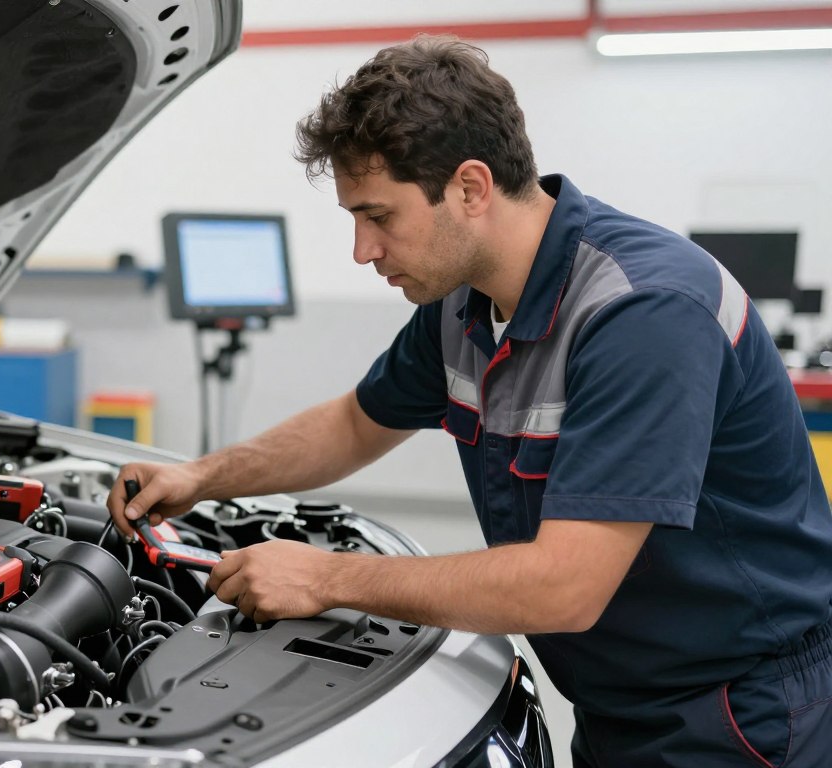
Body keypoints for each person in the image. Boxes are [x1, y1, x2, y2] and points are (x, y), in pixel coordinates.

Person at [107, 35, 832, 767]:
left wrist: (326, 577)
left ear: (471, 188)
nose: (362, 250)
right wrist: (201, 476)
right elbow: (356, 423)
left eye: (379, 216)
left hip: (743, 715)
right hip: (622, 700)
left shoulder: (642, 313)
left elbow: (565, 586)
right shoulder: (465, 304)